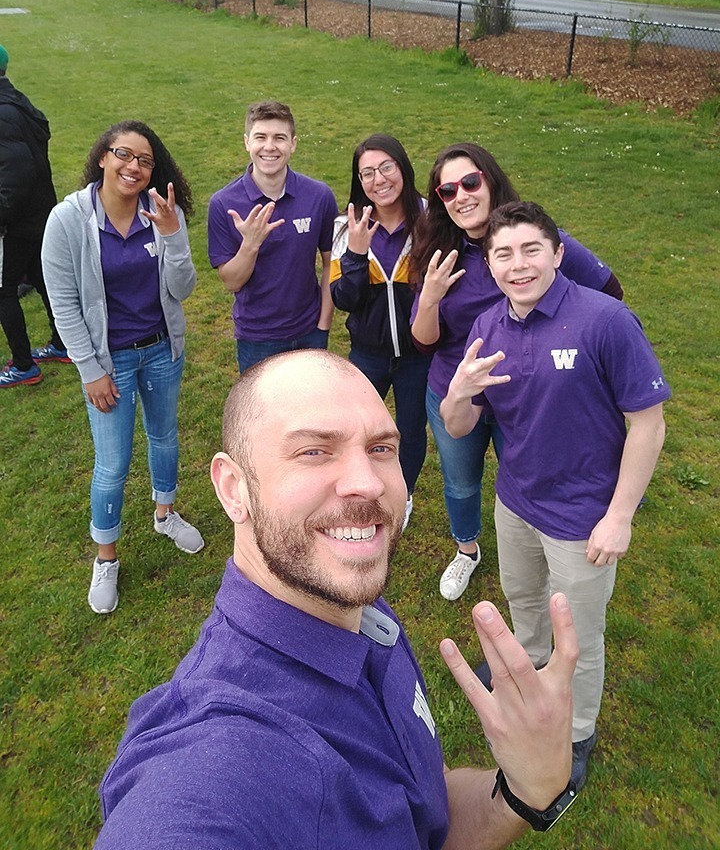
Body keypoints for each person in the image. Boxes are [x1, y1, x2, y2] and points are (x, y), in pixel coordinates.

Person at [94, 349, 580, 850]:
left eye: (380, 448)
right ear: (233, 488)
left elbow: (424, 815)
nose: (368, 483)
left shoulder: (359, 612)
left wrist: (525, 789)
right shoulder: (210, 768)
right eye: (314, 451)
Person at [441, 200, 669, 789]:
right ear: (489, 265)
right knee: (523, 601)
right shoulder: (488, 325)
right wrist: (459, 393)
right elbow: (459, 424)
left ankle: (577, 730)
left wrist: (620, 517)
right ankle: (526, 674)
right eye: (503, 254)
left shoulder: (605, 321)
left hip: (584, 517)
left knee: (580, 637)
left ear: (558, 254)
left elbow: (648, 422)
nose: (518, 266)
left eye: (531, 249)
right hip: (516, 502)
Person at [410, 143, 624, 602]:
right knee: (461, 481)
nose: (461, 196)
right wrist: (429, 296)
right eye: (447, 190)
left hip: (531, 394)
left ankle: (543, 564)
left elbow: (609, 291)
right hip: (457, 391)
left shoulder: (536, 238)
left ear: (490, 179)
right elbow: (423, 342)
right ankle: (467, 551)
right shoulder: (437, 250)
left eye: (470, 182)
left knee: (530, 480)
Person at [41, 120, 201, 615]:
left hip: (160, 351)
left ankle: (165, 513)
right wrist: (90, 369)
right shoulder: (68, 220)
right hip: (109, 362)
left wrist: (173, 235)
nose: (134, 166)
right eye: (124, 155)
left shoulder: (161, 214)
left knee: (164, 436)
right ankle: (106, 557)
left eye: (145, 160)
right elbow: (63, 303)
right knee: (111, 463)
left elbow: (184, 288)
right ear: (104, 158)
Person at [331, 134, 429, 526]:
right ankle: (358, 488)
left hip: (419, 356)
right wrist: (355, 251)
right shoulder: (348, 225)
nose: (379, 179)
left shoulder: (430, 218)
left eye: (386, 167)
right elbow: (345, 299)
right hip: (367, 353)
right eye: (367, 173)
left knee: (410, 428)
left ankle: (402, 495)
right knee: (359, 429)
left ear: (403, 167)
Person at [207, 100, 337, 372]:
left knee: (310, 412)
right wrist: (250, 245)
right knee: (264, 415)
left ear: (293, 143)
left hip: (310, 331)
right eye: (260, 137)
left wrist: (323, 324)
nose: (269, 147)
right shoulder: (223, 204)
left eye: (279, 138)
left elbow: (330, 264)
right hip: (256, 338)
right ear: (246, 142)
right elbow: (231, 282)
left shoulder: (319, 196)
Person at [0, 43, 69, 387]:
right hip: (40, 214)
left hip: (15, 223)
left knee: (3, 289)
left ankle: (24, 365)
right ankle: (62, 343)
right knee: (43, 280)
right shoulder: (17, 100)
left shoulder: (2, 110)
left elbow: (18, 169)